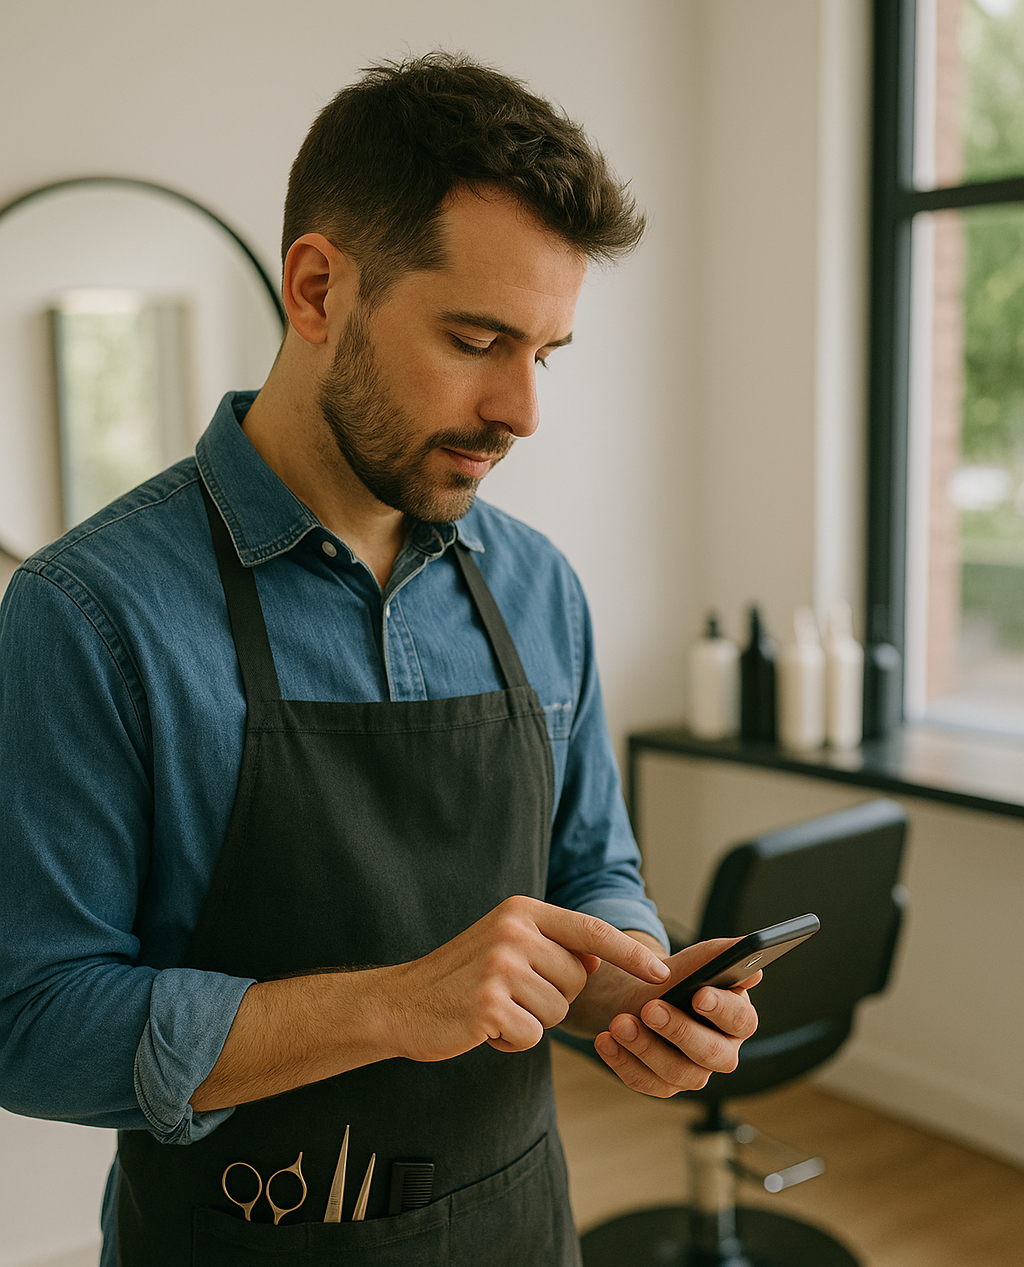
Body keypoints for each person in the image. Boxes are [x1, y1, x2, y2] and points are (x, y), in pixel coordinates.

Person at [0, 54, 759, 1265]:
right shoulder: (87, 612)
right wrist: (395, 1003)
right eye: (476, 338)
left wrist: (630, 978)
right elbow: (29, 1021)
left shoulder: (537, 585)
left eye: (545, 353)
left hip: (520, 1223)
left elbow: (591, 864)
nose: (521, 409)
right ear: (315, 287)